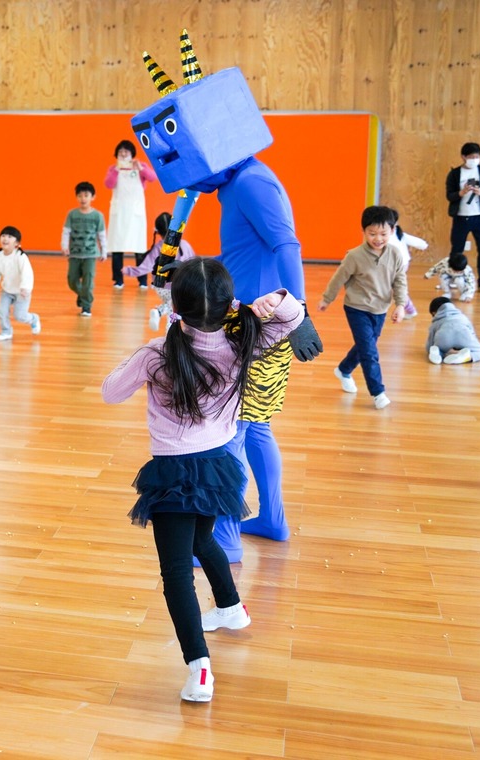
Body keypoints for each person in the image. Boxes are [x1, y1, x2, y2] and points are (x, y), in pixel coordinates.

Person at [131, 32, 323, 557]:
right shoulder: (236, 183)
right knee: (253, 425)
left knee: (231, 430)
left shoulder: (253, 183)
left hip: (260, 325)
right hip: (245, 320)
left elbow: (287, 243)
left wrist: (299, 310)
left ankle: (226, 540)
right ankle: (273, 521)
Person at [101, 258, 304, 702]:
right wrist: (270, 302)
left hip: (174, 472)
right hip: (217, 467)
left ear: (177, 304)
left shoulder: (156, 353)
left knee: (176, 573)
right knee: (202, 541)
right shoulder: (243, 343)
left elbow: (109, 392)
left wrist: (133, 358)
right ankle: (231, 608)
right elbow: (292, 316)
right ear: (229, 303)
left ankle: (199, 666)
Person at [319, 205, 409, 410]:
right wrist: (327, 298)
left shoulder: (395, 254)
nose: (378, 238)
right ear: (364, 232)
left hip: (380, 309)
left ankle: (344, 369)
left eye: (383, 234)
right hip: (356, 308)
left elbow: (400, 280)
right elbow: (338, 278)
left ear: (393, 231)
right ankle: (378, 392)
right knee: (369, 351)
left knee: (365, 346)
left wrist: (401, 305)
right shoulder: (355, 256)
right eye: (372, 233)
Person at [122, 211, 197, 330]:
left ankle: (159, 312)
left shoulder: (159, 247)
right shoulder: (184, 245)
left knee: (173, 304)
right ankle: (169, 332)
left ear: (158, 232)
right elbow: (194, 264)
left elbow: (146, 266)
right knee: (176, 306)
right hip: (179, 285)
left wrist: (129, 271)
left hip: (160, 286)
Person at [105, 139, 158, 290]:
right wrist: (116, 169)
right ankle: (118, 279)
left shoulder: (140, 167)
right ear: (117, 154)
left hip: (135, 215)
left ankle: (142, 280)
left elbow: (153, 177)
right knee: (117, 247)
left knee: (139, 247)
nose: (123, 154)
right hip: (119, 213)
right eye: (121, 152)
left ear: (132, 154)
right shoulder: (113, 169)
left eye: (126, 152)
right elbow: (108, 184)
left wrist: (141, 168)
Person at [445, 142, 480, 293]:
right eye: (471, 157)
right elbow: (449, 195)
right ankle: (453, 279)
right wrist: (461, 193)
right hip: (461, 218)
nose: (474, 159)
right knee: (457, 250)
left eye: (477, 156)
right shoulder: (455, 174)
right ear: (463, 157)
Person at [61, 181, 108, 317]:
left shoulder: (97, 216)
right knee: (72, 281)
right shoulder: (72, 214)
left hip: (90, 255)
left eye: (86, 195)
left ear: (93, 197)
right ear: (77, 197)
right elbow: (66, 231)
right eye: (80, 196)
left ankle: (86, 306)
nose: (83, 198)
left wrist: (104, 251)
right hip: (74, 254)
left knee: (88, 282)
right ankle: (83, 296)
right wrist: (64, 246)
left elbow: (102, 235)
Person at [0, 225, 41, 341]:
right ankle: (6, 331)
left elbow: (27, 273)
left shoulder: (20, 257)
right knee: (2, 311)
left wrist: (26, 288)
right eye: (3, 236)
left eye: (10, 236)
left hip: (21, 292)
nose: (5, 239)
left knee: (19, 316)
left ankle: (33, 319)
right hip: (6, 290)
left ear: (17, 243)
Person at [386, 208, 428, 318]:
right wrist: (423, 245)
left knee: (397, 288)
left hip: (398, 265)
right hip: (402, 263)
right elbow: (419, 243)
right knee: (394, 287)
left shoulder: (391, 235)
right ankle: (408, 309)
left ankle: (410, 310)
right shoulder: (398, 233)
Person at [427, 296, 480, 365]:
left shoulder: (437, 321)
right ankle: (467, 356)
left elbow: (430, 340)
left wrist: (430, 349)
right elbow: (472, 332)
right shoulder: (462, 316)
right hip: (464, 335)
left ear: (434, 312)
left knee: (440, 348)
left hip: (443, 338)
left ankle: (438, 353)